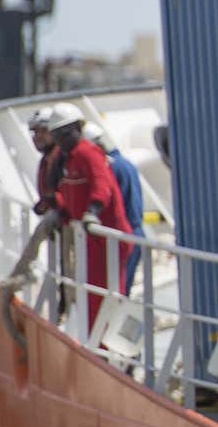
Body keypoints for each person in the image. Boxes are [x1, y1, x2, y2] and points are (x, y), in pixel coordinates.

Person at [45, 104, 132, 329]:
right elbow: (71, 193)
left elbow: (101, 185)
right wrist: (59, 209)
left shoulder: (87, 153)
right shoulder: (70, 159)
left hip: (106, 239)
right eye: (57, 135)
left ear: (78, 128)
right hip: (90, 240)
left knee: (106, 299)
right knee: (92, 296)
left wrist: (93, 211)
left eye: (65, 133)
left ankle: (107, 353)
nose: (61, 139)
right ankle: (97, 348)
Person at [85, 123, 145, 294]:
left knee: (116, 292)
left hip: (123, 233)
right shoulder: (125, 164)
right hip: (134, 232)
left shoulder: (111, 167)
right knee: (121, 290)